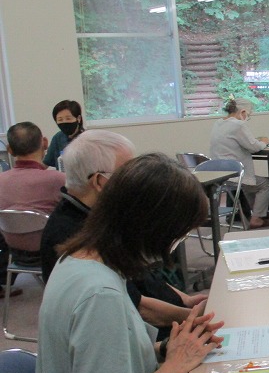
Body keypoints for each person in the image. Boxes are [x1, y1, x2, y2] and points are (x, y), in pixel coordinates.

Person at [33, 152, 269, 373]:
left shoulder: (77, 260)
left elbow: (96, 359)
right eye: (176, 236)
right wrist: (172, 369)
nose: (171, 248)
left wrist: (166, 349)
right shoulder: (99, 295)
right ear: (151, 228)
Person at [40, 130, 204, 339]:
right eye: (128, 173)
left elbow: (141, 273)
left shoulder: (100, 219)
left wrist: (184, 299)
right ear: (100, 182)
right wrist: (192, 317)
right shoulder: (73, 236)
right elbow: (140, 307)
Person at [0, 121, 65, 259]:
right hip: (51, 248)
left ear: (9, 150)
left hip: (12, 248)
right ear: (45, 143)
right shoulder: (58, 179)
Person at [210, 97, 269, 228]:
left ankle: (256, 212)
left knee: (251, 184)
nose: (247, 118)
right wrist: (265, 141)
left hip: (220, 175)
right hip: (236, 175)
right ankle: (256, 217)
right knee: (265, 184)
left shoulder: (218, 123)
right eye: (248, 115)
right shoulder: (238, 125)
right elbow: (254, 147)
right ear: (243, 112)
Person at [43, 99, 84, 168]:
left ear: (78, 118)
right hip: (62, 178)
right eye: (60, 119)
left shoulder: (87, 138)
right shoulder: (58, 138)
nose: (64, 122)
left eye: (68, 118)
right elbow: (45, 164)